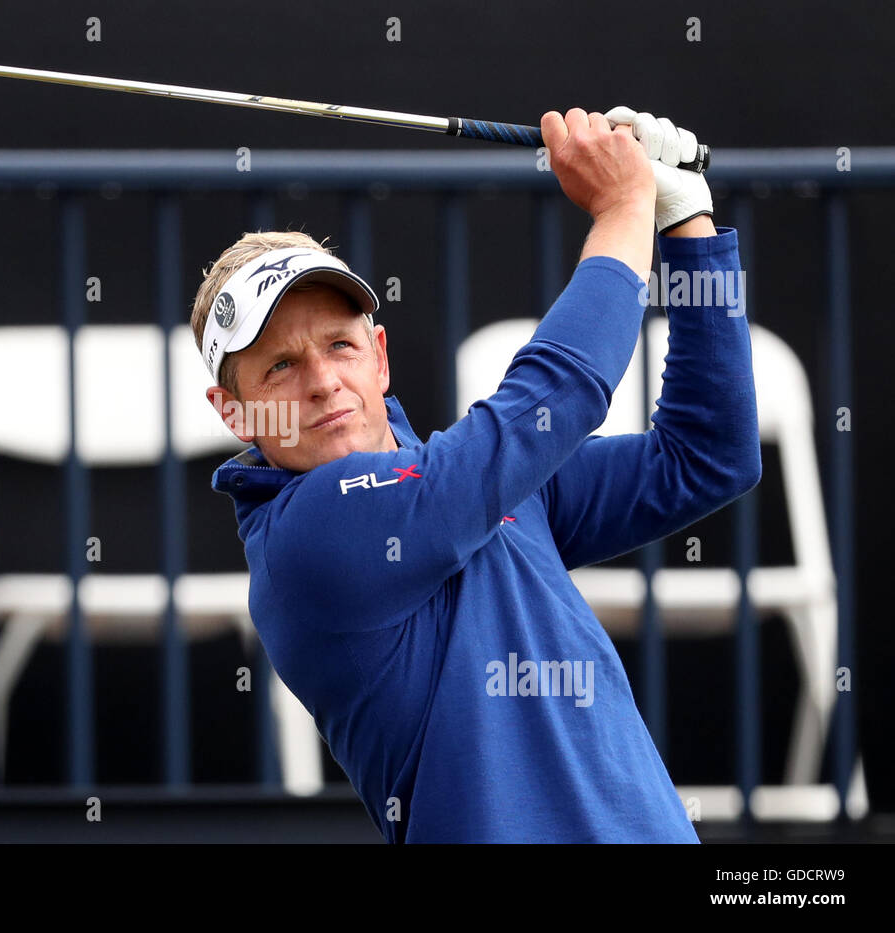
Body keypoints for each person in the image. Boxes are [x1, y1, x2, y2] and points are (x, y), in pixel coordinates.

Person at [188, 107, 760, 843]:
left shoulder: (478, 482)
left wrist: (687, 221)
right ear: (235, 414)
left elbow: (709, 456)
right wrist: (623, 209)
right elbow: (555, 396)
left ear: (381, 357)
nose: (324, 382)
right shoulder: (306, 534)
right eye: (280, 366)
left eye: (340, 345)